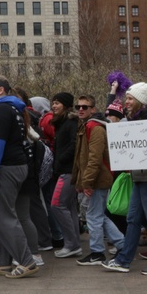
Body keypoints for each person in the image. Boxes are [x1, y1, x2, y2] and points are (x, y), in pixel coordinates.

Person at [102, 82, 147, 275]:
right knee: (133, 219)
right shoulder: (132, 119)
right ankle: (124, 261)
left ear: (140, 101)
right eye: (127, 98)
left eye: (131, 98)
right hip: (139, 178)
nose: (127, 101)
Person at [0, 76, 39, 279]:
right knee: (3, 216)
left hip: (4, 168)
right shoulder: (12, 108)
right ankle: (3, 262)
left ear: (1, 90)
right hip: (15, 167)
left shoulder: (2, 110)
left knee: (1, 216)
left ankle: (27, 261)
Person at [72, 95, 125, 266]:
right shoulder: (88, 126)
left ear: (93, 109)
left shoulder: (95, 128)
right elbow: (82, 158)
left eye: (85, 107)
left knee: (94, 216)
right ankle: (122, 245)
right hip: (96, 178)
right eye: (78, 107)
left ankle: (97, 252)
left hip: (98, 179)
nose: (81, 109)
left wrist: (87, 182)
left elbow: (94, 158)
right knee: (98, 215)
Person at [49, 92, 82, 258]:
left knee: (56, 205)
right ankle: (74, 242)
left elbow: (74, 145)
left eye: (57, 103)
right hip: (64, 171)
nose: (54, 106)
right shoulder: (61, 123)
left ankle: (72, 244)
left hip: (68, 172)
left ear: (66, 106)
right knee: (69, 208)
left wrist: (61, 159)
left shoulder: (70, 122)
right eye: (53, 103)